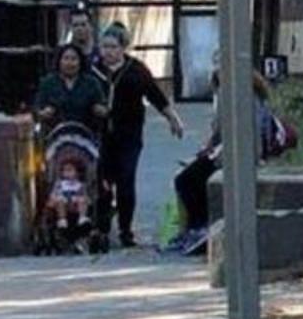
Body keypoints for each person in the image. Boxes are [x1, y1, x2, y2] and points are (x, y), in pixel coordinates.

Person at [91, 22, 185, 248]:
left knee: (126, 179)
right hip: (102, 135)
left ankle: (125, 229)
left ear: (123, 48)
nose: (108, 52)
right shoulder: (93, 70)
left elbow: (155, 95)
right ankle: (102, 228)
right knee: (102, 182)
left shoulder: (136, 70)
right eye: (104, 47)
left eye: (113, 47)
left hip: (129, 134)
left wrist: (173, 119)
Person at [165, 67, 272, 254]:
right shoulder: (254, 93)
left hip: (233, 154)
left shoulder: (228, 93)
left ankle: (198, 226)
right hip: (242, 152)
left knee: (185, 180)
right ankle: (194, 226)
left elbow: (222, 131)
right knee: (191, 175)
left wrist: (209, 151)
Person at [33, 42, 106, 132]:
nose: (69, 63)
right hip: (56, 135)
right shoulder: (48, 82)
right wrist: (43, 113)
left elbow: (103, 108)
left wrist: (100, 110)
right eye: (66, 58)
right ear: (59, 61)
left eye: (74, 59)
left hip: (86, 134)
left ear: (80, 62)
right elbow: (37, 109)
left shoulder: (91, 82)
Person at [52, 154, 91, 233]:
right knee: (60, 201)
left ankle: (82, 217)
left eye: (70, 170)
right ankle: (62, 219)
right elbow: (54, 194)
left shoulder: (80, 184)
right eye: (65, 170)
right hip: (64, 202)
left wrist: (85, 199)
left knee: (82, 200)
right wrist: (53, 199)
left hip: (76, 203)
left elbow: (84, 194)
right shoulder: (60, 183)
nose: (67, 173)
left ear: (77, 172)